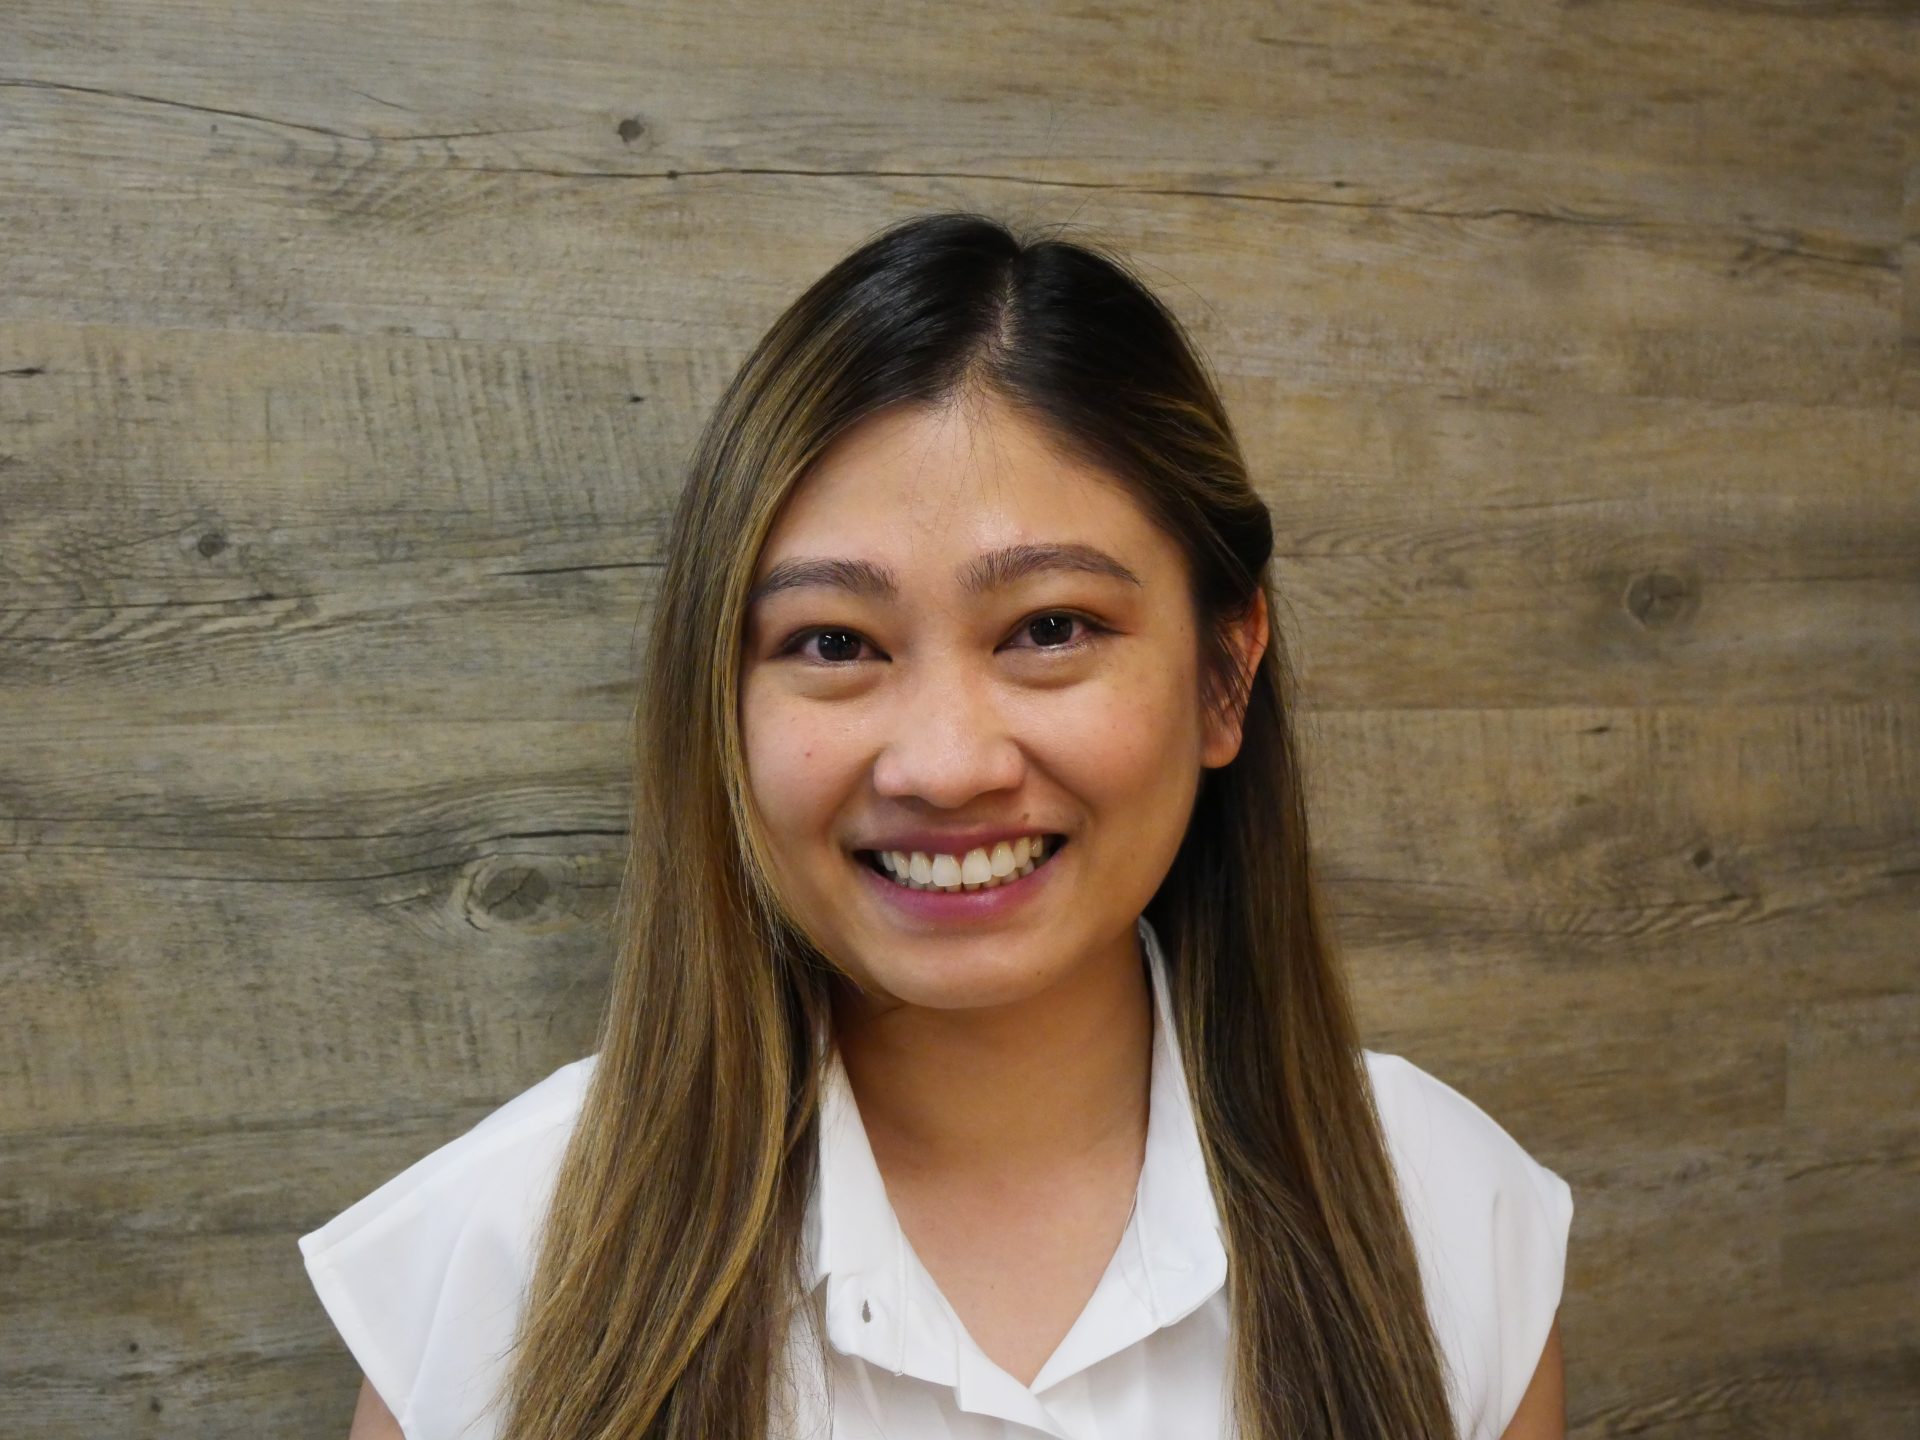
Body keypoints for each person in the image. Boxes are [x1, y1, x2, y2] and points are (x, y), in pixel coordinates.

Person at [298, 212, 1573, 1440]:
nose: (947, 766)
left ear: (1223, 676)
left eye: (1051, 629)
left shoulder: (1445, 1216)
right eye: (834, 643)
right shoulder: (504, 1259)